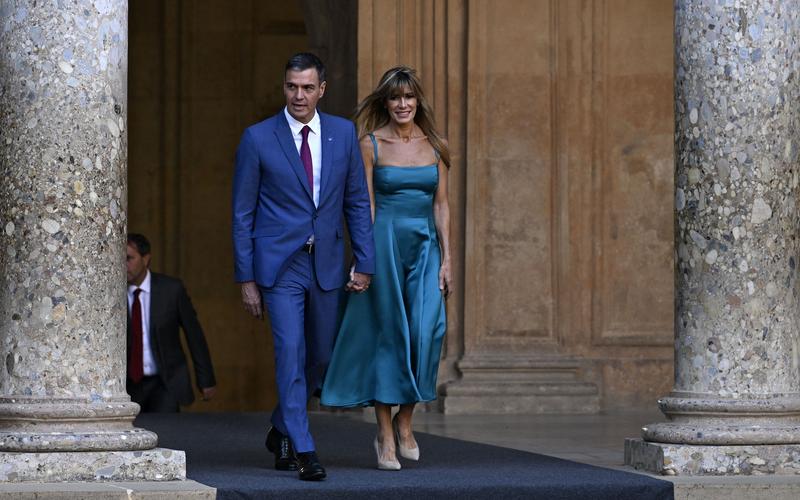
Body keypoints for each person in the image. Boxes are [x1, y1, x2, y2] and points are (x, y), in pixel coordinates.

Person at [231, 52, 375, 481]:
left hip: (327, 261)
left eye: (308, 87)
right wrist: (246, 277)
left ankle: (281, 427)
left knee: (324, 356)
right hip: (280, 266)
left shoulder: (342, 133)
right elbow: (242, 213)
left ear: (321, 90)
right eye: (292, 87)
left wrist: (365, 260)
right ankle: (304, 447)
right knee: (290, 351)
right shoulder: (258, 138)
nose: (299, 95)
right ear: (284, 87)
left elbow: (356, 201)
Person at [321, 66, 452, 471]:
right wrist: (364, 259)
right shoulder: (370, 144)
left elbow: (442, 205)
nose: (402, 104)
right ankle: (385, 434)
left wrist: (448, 259)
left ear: (418, 101)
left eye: (408, 96)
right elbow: (367, 206)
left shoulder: (437, 146)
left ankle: (405, 419)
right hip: (384, 244)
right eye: (395, 97)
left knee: (427, 332)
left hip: (426, 247)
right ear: (385, 102)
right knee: (388, 336)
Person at [125, 233, 217, 413]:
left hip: (165, 382)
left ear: (146, 259)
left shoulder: (171, 290)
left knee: (166, 428)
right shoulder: (112, 292)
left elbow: (194, 335)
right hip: (127, 386)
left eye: (129, 258)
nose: (124, 265)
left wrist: (206, 379)